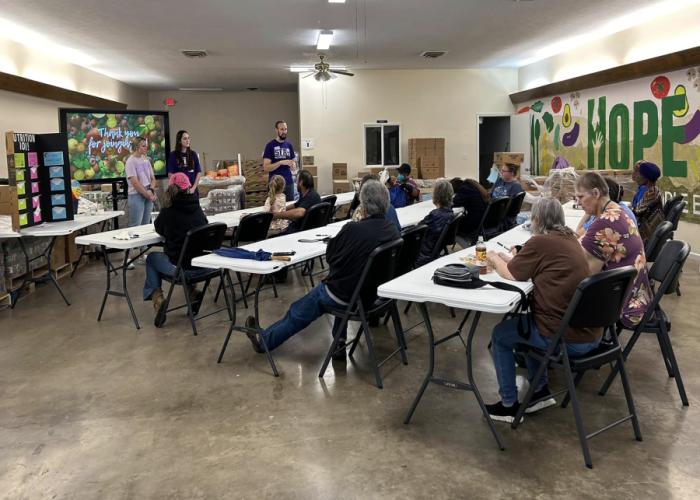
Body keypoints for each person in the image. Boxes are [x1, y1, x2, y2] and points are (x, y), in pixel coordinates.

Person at [244, 179, 401, 359]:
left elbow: (331, 258)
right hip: (372, 295)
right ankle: (338, 343)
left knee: (299, 310)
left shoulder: (353, 229)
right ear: (386, 203)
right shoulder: (392, 230)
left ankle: (265, 340)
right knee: (350, 278)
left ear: (363, 204)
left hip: (348, 296)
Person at [485, 197, 600, 422]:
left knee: (501, 335)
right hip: (588, 332)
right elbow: (534, 266)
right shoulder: (569, 238)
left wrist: (493, 257)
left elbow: (511, 274)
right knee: (528, 325)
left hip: (566, 338)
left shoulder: (541, 242)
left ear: (537, 219)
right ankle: (539, 391)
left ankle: (508, 404)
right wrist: (514, 258)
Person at [575, 171, 652, 329]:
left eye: (580, 197)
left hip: (623, 305)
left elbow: (585, 274)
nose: (578, 202)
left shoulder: (604, 222)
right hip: (637, 296)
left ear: (596, 193)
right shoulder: (620, 211)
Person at [143, 173, 209, 326]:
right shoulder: (197, 207)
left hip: (183, 270)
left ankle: (158, 300)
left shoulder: (169, 210)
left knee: (152, 258)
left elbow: (159, 228)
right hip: (204, 266)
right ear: (188, 187)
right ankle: (192, 293)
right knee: (186, 253)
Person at [415, 179, 454, 267]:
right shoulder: (450, 213)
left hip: (424, 251)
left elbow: (418, 228)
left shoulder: (434, 215)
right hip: (435, 249)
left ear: (436, 195)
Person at [272, 170, 322, 234]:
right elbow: (296, 205)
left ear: (301, 182)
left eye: (296, 181)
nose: (295, 183)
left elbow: (299, 212)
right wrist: (281, 209)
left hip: (302, 231)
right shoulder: (306, 193)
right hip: (303, 227)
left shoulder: (311, 196)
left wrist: (277, 215)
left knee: (273, 235)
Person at [126, 137, 157, 228]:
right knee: (136, 226)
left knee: (146, 226)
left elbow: (153, 179)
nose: (146, 147)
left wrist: (151, 190)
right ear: (136, 147)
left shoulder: (146, 160)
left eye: (146, 145)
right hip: (136, 195)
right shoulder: (130, 162)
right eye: (143, 146)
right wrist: (147, 194)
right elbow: (135, 183)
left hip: (148, 193)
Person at [263, 121, 297, 201]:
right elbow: (266, 167)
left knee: (289, 209)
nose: (284, 132)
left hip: (289, 183)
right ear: (276, 130)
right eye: (282, 129)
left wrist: (293, 166)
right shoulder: (270, 146)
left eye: (285, 129)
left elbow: (294, 164)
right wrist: (280, 162)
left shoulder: (289, 145)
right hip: (275, 185)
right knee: (275, 209)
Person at [631, 161, 664, 242]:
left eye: (637, 173)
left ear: (645, 178)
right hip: (650, 228)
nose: (634, 175)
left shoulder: (649, 192)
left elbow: (636, 212)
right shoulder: (653, 189)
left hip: (645, 234)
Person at [166, 130, 202, 195]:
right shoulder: (173, 155)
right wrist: (180, 189)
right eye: (185, 139)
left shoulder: (193, 154)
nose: (188, 140)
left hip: (193, 191)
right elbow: (170, 175)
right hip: (179, 192)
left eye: (188, 138)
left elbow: (198, 172)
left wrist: (193, 188)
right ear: (179, 141)